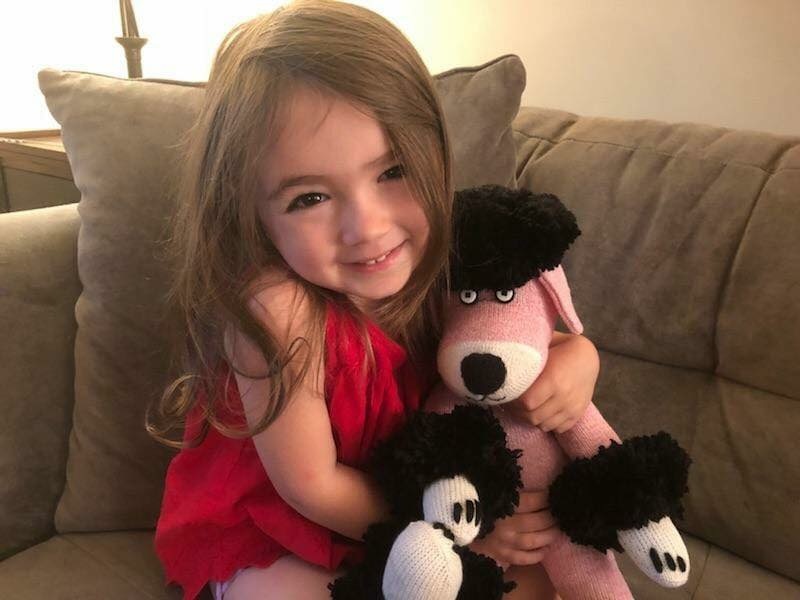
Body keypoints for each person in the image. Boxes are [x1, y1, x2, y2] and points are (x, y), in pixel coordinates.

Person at [145, 1, 601, 599]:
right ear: (251, 215)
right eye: (309, 198)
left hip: (419, 513)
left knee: (540, 582)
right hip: (273, 530)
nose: (367, 227)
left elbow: (531, 341)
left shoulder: (442, 261)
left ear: (434, 154)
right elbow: (312, 486)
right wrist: (462, 534)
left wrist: (579, 360)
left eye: (392, 172)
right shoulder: (278, 310)